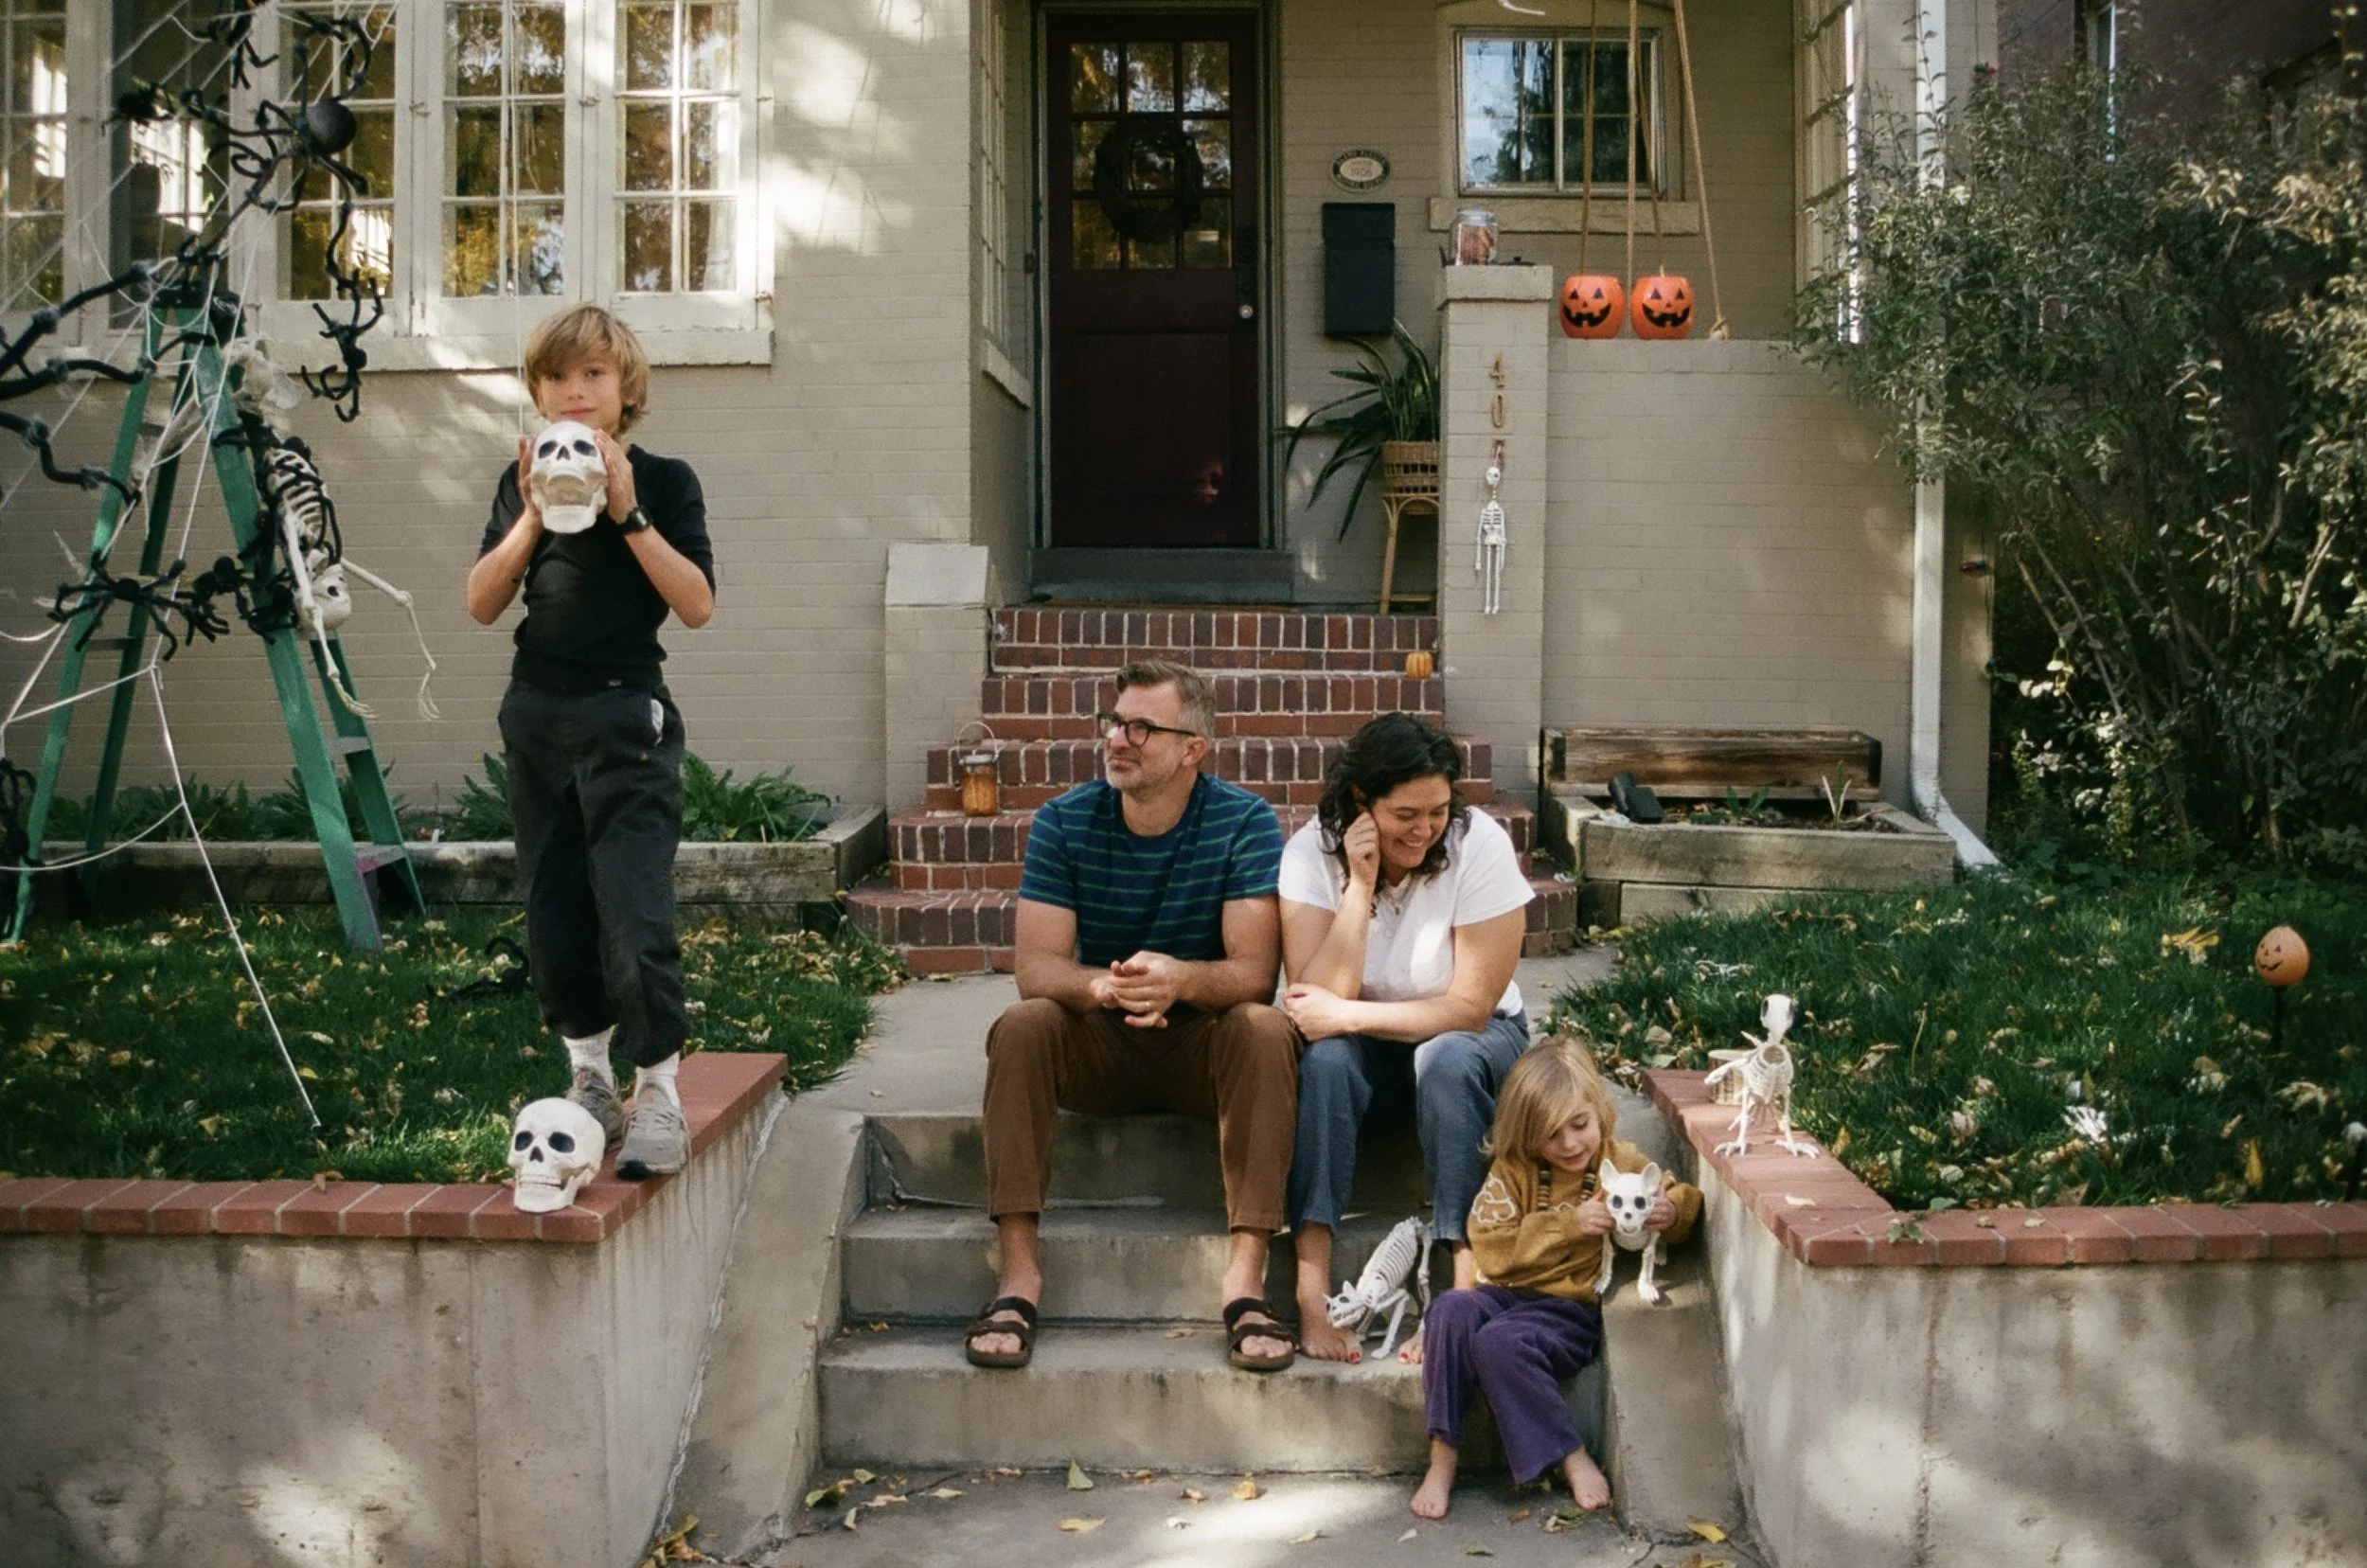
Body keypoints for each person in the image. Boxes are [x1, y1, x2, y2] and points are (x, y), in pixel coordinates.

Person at [966, 661, 1300, 1372]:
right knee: (1023, 1025)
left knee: (1265, 1029)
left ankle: (1245, 1282)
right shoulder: (1064, 820)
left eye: (1141, 728)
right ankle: (1017, 1278)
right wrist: (1105, 988)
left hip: (1199, 1049)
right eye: (1114, 723)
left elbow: (1255, 975)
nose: (1118, 739)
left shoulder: (1243, 821)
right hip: (1101, 1045)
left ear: (1192, 749)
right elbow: (1036, 969)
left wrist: (1181, 979)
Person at [464, 303, 716, 1178]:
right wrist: (535, 512)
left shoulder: (668, 480)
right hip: (537, 712)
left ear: (625, 390)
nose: (576, 390)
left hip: (625, 717)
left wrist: (626, 510)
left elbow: (696, 604)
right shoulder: (519, 480)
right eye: (559, 377)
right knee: (554, 908)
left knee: (633, 907)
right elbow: (481, 602)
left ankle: (660, 1094)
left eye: (595, 375)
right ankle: (590, 1080)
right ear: (538, 394)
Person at [1280, 712, 1533, 1363]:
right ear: (1361, 800)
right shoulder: (1311, 852)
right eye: (1405, 814)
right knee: (1326, 1063)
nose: (1425, 829)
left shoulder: (1480, 845)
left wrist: (1349, 1017)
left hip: (1476, 1042)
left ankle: (1458, 1293)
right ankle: (1311, 1293)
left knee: (1444, 1060)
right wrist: (1359, 886)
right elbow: (1314, 997)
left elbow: (1470, 1009)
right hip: (1368, 1051)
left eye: (1438, 812)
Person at [1411, 1036, 1701, 1519]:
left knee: (1499, 1343)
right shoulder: (1512, 1171)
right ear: (1526, 1133)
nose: (1569, 1143)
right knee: (1450, 1308)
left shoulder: (1618, 1163)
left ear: (1599, 1111)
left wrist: (1670, 1213)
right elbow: (1490, 1246)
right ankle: (1443, 1455)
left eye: (1579, 1124)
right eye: (1550, 1134)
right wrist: (1568, 1224)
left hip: (1567, 1311)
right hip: (1501, 1294)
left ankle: (1570, 1454)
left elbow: (1682, 1198)